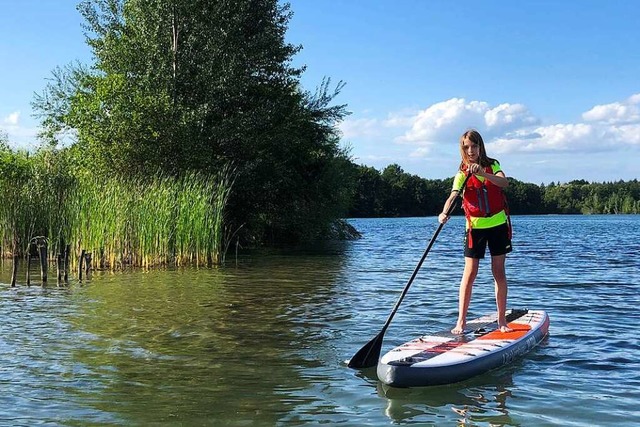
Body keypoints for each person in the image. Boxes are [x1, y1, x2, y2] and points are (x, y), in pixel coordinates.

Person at [438, 129, 512, 334]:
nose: (471, 150)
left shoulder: (493, 164)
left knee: (498, 272)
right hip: (475, 229)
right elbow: (453, 196)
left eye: (474, 146)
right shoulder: (461, 173)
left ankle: (502, 321)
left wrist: (482, 173)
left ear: (480, 146)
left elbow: (504, 182)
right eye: (466, 147)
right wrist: (444, 213)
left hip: (497, 226)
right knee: (469, 274)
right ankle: (461, 321)